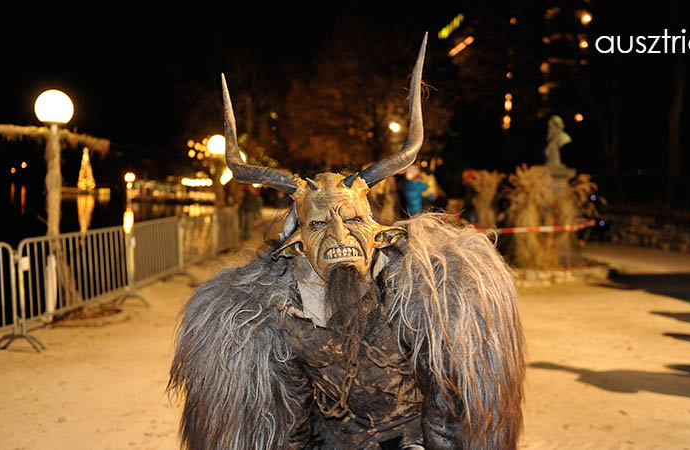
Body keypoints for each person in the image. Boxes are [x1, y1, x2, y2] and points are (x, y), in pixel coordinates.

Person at [169, 34, 525, 450]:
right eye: (320, 225)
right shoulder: (281, 312)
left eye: (353, 219)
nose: (339, 236)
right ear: (298, 243)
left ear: (377, 232)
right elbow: (285, 427)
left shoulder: (424, 295)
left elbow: (450, 411)